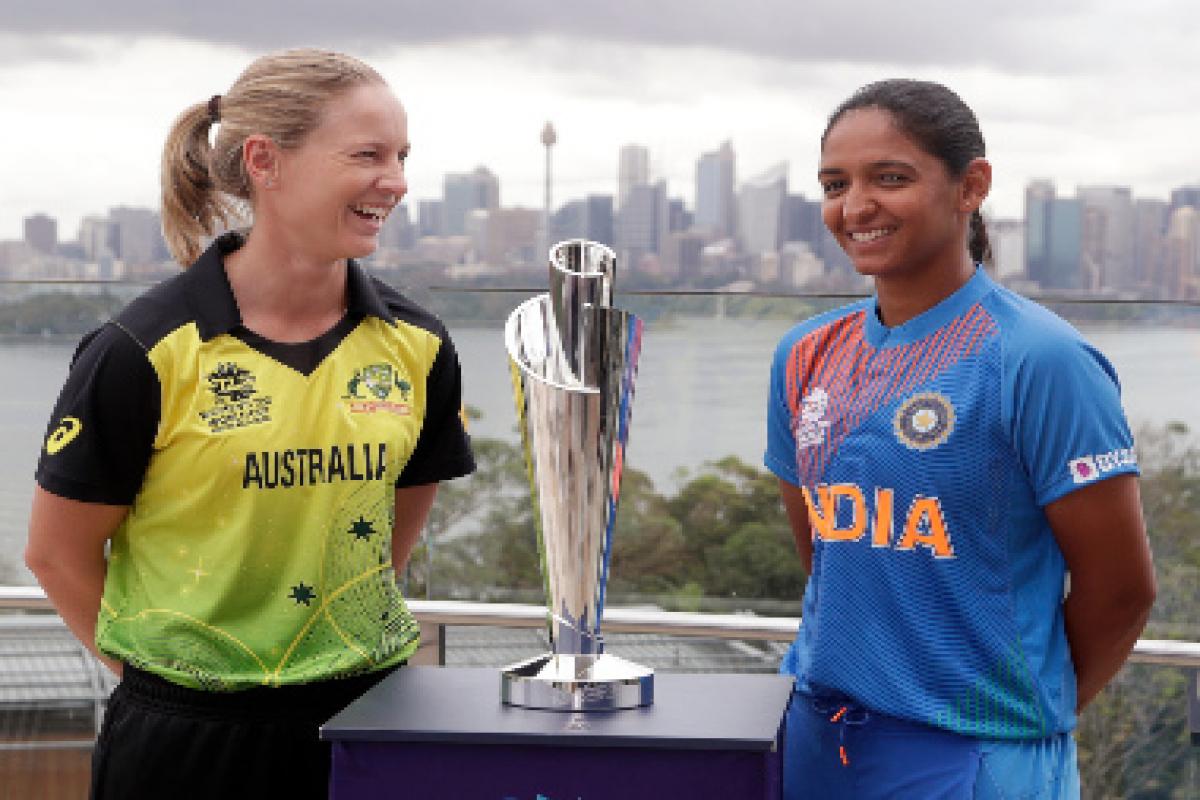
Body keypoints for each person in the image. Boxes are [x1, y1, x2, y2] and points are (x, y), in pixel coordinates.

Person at [25, 48, 475, 799]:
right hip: (186, 745)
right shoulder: (142, 351)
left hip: (368, 717)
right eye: (367, 154)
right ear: (266, 161)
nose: (395, 181)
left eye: (400, 156)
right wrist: (176, 680)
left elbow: (388, 534)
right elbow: (57, 555)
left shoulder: (419, 343)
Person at [764, 79, 1156, 799]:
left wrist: (1020, 715)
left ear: (970, 186)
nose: (855, 207)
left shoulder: (1040, 359)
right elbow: (826, 556)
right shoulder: (804, 355)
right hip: (818, 740)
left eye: (891, 178)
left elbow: (1122, 591)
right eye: (834, 183)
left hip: (977, 755)